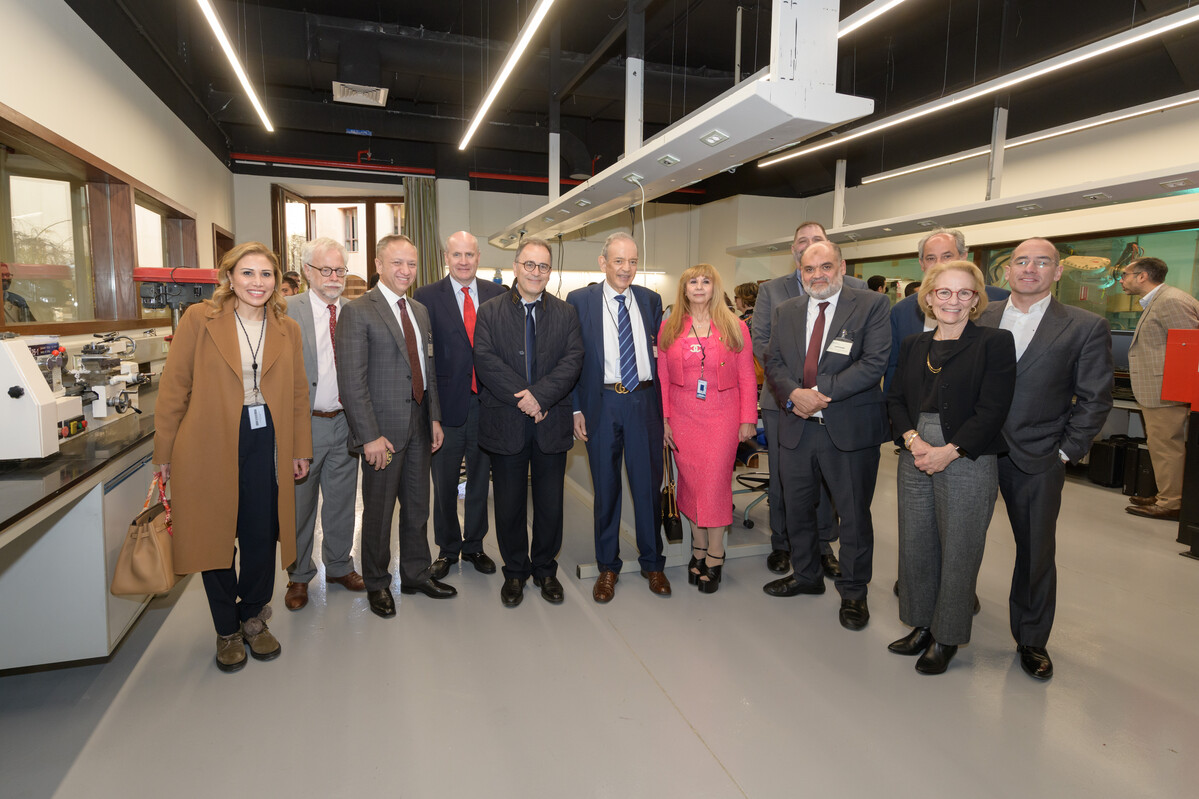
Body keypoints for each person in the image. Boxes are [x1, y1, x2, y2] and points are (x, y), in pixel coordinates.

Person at [153, 241, 312, 673]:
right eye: (248, 273)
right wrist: (163, 453)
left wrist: (301, 448)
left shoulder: (287, 329)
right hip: (206, 440)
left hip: (267, 440)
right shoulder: (199, 320)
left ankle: (254, 618)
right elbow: (174, 387)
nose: (257, 283)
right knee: (214, 536)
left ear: (277, 282)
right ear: (229, 277)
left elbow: (299, 393)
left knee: (261, 532)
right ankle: (227, 629)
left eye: (266, 275)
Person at [979, 237, 1112, 681]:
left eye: (1042, 262)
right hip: (972, 451)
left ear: (1058, 272)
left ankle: (1032, 640)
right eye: (1021, 261)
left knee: (1035, 552)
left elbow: (1095, 398)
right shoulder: (982, 316)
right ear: (1007, 271)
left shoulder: (1084, 325)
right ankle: (947, 622)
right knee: (958, 541)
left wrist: (1066, 451)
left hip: (1037, 456)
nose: (1029, 268)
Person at [887, 262, 1016, 674]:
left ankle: (947, 637)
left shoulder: (994, 342)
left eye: (964, 293)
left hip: (967, 456)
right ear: (928, 297)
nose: (953, 301)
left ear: (976, 300)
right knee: (916, 542)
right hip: (914, 450)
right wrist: (913, 440)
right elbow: (893, 400)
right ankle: (922, 625)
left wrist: (949, 450)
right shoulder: (912, 344)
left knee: (960, 548)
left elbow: (994, 408)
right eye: (944, 292)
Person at [762, 240, 890, 632]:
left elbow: (874, 362)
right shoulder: (786, 311)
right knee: (797, 508)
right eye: (809, 269)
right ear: (799, 272)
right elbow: (774, 360)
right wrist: (794, 394)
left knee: (852, 516)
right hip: (797, 426)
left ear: (842, 266)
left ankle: (853, 592)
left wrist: (819, 394)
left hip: (847, 430)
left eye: (826, 267)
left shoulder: (870, 305)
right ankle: (806, 575)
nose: (818, 275)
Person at [336, 234, 454, 620]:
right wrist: (369, 435)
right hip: (382, 433)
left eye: (412, 264)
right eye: (397, 263)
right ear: (378, 264)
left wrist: (434, 416)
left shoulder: (419, 311)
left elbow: (427, 370)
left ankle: (416, 574)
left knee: (418, 508)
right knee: (379, 512)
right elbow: (352, 381)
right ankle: (377, 582)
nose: (405, 271)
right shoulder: (358, 310)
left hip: (420, 426)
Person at [753, 222, 867, 578]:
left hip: (837, 404)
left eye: (817, 241)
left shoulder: (859, 293)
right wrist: (796, 391)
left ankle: (822, 546)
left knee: (828, 484)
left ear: (832, 252)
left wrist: (819, 393)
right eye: (802, 243)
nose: (810, 248)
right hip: (782, 401)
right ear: (794, 252)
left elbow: (867, 356)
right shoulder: (773, 290)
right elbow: (761, 343)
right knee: (785, 480)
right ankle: (783, 544)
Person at [475, 238, 583, 607]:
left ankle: (545, 570)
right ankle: (516, 572)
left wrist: (541, 397)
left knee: (551, 503)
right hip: (507, 423)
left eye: (543, 266)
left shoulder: (566, 313)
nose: (536, 272)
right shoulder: (489, 311)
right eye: (529, 265)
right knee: (508, 505)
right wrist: (526, 397)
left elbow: (572, 361)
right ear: (517, 266)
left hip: (550, 422)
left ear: (550, 272)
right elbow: (485, 360)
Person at [567, 232, 670, 603]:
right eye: (618, 261)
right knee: (606, 490)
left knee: (648, 489)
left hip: (644, 404)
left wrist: (667, 414)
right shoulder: (580, 301)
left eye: (632, 261)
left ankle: (652, 563)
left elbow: (664, 359)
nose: (626, 269)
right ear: (603, 262)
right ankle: (608, 566)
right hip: (602, 404)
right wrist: (575, 407)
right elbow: (572, 359)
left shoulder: (650, 300)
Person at [658, 264, 758, 592]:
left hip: (722, 416)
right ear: (684, 289)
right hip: (683, 416)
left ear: (715, 287)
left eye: (706, 281)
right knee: (689, 483)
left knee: (715, 484)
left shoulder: (734, 327)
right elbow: (661, 379)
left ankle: (715, 554)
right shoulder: (670, 328)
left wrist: (748, 419)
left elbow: (746, 375)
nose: (699, 287)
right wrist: (664, 419)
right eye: (692, 282)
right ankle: (697, 547)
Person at [414, 231, 505, 579]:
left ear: (479, 257)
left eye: (469, 254)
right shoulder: (425, 297)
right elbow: (425, 359)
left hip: (487, 403)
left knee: (482, 479)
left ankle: (475, 545)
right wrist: (430, 413)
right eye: (457, 255)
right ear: (446, 258)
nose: (463, 261)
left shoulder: (498, 294)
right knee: (445, 481)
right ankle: (447, 548)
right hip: (446, 408)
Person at [282, 238, 365, 612]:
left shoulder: (354, 311)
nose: (334, 278)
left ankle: (339, 566)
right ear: (306, 273)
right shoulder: (285, 312)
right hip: (304, 425)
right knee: (300, 505)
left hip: (344, 423)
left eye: (340, 270)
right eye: (326, 270)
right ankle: (299, 576)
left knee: (342, 502)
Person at [1121, 256, 1199, 521]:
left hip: (1168, 390)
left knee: (1167, 445)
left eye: (1125, 274)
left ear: (1142, 276)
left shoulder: (1171, 301)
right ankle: (1168, 493)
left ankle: (1172, 502)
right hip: (1159, 388)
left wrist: (1186, 393)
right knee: (1161, 444)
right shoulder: (1160, 300)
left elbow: (1190, 350)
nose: (1122, 280)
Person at [885, 228, 1010, 390]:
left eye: (947, 256)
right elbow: (894, 368)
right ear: (922, 264)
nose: (939, 264)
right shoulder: (902, 311)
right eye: (931, 258)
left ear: (963, 257)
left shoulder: (999, 300)